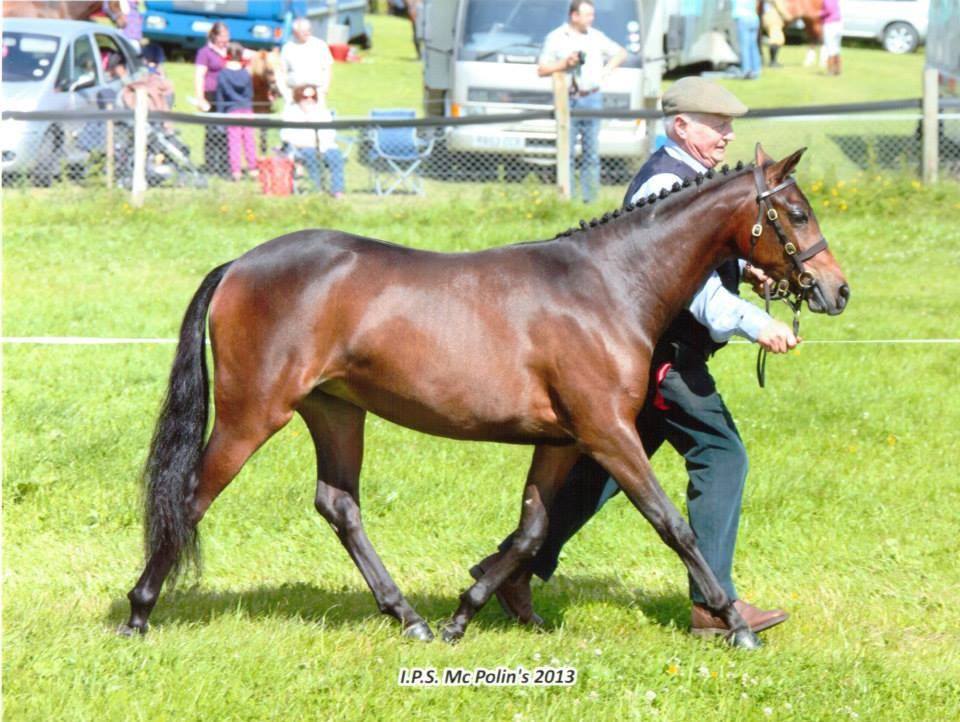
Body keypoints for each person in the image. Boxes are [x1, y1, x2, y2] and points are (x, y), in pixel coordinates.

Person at [472, 77, 798, 640]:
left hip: (651, 354)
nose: (727, 136)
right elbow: (689, 290)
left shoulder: (691, 177)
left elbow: (697, 261)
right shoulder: (665, 183)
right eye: (717, 126)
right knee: (722, 455)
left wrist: (745, 270)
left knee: (604, 469)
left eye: (729, 127)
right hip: (661, 358)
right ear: (681, 126)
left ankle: (509, 568)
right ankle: (713, 606)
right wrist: (757, 323)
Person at [537, 1, 626, 204]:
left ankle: (589, 200)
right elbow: (542, 69)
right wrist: (565, 63)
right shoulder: (556, 37)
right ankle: (566, 198)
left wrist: (606, 71)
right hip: (566, 99)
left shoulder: (596, 37)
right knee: (565, 153)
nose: (591, 19)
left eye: (592, 15)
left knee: (591, 153)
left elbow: (621, 53)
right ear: (574, 16)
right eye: (587, 15)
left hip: (592, 98)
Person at [280, 85, 345, 198]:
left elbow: (330, 133)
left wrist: (320, 143)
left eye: (312, 97)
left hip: (324, 146)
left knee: (336, 155)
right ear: (298, 98)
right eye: (305, 97)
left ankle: (337, 191)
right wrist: (306, 143)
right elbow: (286, 136)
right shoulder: (291, 113)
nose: (309, 100)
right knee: (311, 154)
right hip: (301, 148)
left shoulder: (322, 112)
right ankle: (317, 189)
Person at [216, 42, 258, 181]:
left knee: (234, 141)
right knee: (249, 140)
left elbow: (221, 96)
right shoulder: (246, 73)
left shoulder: (223, 74)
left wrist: (220, 114)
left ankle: (236, 171)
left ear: (228, 55)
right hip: (247, 109)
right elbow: (250, 93)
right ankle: (253, 169)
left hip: (232, 110)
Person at [194, 22, 231, 177]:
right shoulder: (205, 52)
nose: (225, 39)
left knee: (227, 132)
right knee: (212, 131)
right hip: (212, 95)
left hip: (228, 95)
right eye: (222, 36)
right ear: (214, 36)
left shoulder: (230, 51)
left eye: (227, 36)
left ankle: (225, 166)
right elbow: (199, 76)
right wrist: (200, 98)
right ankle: (210, 165)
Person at [280, 17, 334, 106]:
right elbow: (282, 72)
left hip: (317, 92)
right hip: (294, 93)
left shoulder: (320, 45)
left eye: (308, 30)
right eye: (303, 31)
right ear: (295, 32)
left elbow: (327, 68)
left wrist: (324, 90)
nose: (307, 33)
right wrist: (286, 94)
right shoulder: (287, 48)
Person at [733, 0, 762, 79]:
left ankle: (746, 71)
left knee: (744, 47)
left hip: (742, 18)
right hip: (754, 18)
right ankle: (756, 70)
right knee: (753, 46)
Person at [820, 0, 843, 76]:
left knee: (830, 49)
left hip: (830, 24)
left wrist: (819, 14)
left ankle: (830, 71)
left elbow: (828, 10)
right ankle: (837, 70)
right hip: (838, 23)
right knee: (837, 49)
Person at [761, 0, 786, 68]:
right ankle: (773, 61)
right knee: (776, 39)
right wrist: (786, 15)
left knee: (777, 39)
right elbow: (780, 6)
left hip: (769, 17)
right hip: (773, 18)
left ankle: (773, 61)